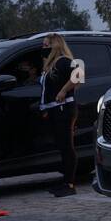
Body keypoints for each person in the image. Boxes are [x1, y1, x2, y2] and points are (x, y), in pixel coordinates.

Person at [39, 33, 80, 197]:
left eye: (46, 45)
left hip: (64, 107)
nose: (43, 48)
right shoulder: (51, 65)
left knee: (67, 146)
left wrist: (64, 90)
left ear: (54, 45)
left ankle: (70, 184)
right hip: (54, 108)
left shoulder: (64, 61)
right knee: (62, 146)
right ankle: (65, 181)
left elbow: (79, 76)